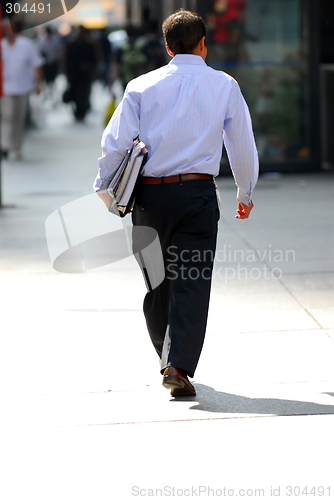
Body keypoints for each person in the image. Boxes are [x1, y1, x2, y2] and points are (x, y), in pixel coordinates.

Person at [94, 10, 258, 397]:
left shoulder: (140, 86)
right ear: (204, 44)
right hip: (198, 198)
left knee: (157, 285)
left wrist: (105, 189)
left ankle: (171, 361)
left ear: (167, 47)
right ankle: (178, 363)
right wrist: (245, 192)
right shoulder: (224, 85)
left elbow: (114, 143)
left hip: (149, 198)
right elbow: (242, 144)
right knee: (192, 283)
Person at [1, 18, 43, 160]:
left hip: (23, 87)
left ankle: (16, 147)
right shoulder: (2, 45)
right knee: (8, 115)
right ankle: (5, 144)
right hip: (6, 87)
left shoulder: (26, 45)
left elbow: (36, 65)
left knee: (19, 118)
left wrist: (38, 84)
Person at [65, 25, 97, 121]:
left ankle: (81, 112)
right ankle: (77, 112)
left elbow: (94, 61)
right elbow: (67, 60)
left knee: (83, 94)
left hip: (85, 75)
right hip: (74, 75)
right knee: (74, 94)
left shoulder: (89, 45)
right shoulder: (72, 45)